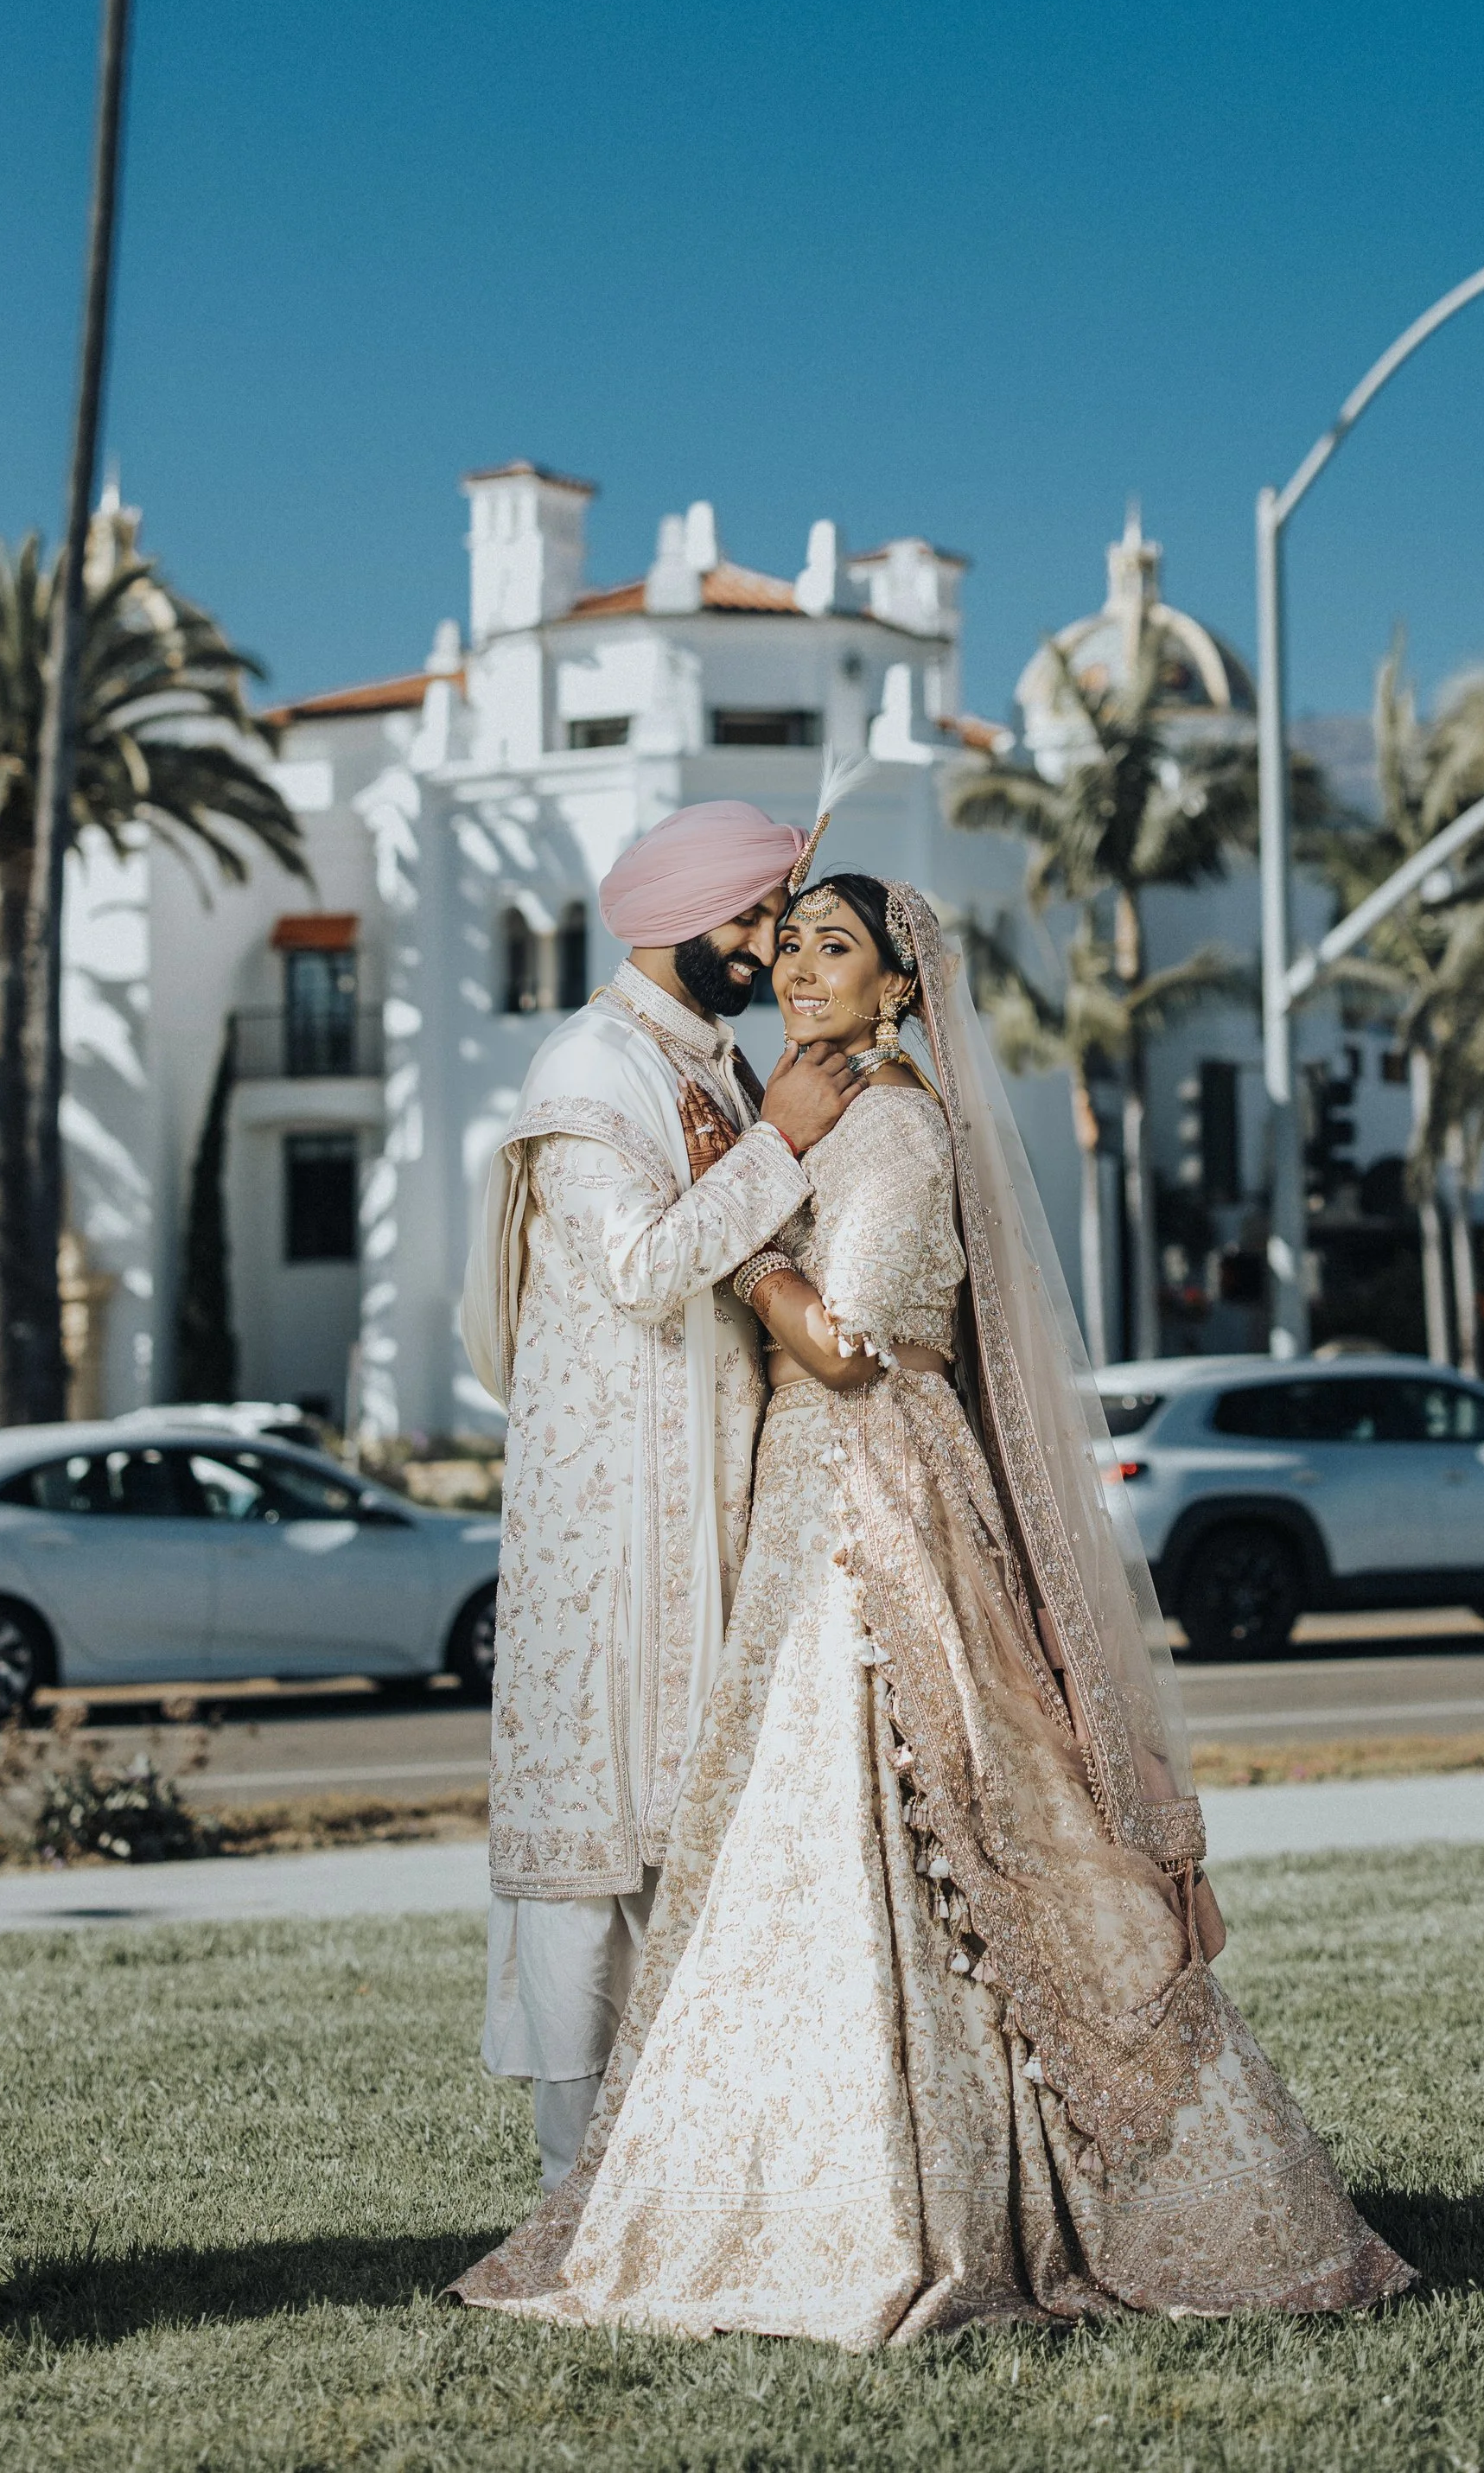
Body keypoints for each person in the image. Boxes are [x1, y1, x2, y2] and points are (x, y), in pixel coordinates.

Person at [455, 870, 1412, 2342]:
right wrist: (768, 1166)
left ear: (902, 986)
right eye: (785, 948)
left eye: (829, 950)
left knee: (893, 1819)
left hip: (866, 1505)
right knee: (809, 1845)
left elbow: (844, 1350)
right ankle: (819, 2179)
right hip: (811, 1495)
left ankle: (917, 2205)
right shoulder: (819, 1102)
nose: (794, 973)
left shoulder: (892, 1122)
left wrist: (755, 1226)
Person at [459, 799, 867, 2194]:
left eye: (776, 919)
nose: (764, 947)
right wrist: (784, 1141)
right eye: (749, 920)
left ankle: (692, 2168)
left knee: (693, 1835)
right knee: (598, 1847)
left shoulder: (722, 1062)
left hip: (711, 1494)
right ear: (670, 919)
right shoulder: (588, 1068)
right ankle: (579, 2185)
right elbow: (638, 1266)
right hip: (612, 1526)